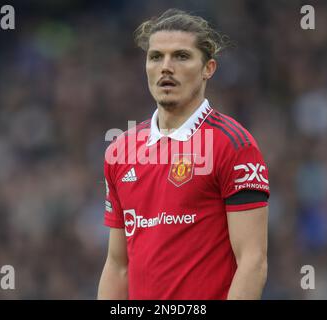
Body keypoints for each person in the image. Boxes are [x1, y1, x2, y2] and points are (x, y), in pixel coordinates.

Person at [97, 9, 270, 300]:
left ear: (208, 68)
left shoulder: (234, 146)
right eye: (156, 57)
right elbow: (117, 266)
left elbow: (253, 262)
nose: (166, 67)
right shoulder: (121, 150)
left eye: (181, 56)